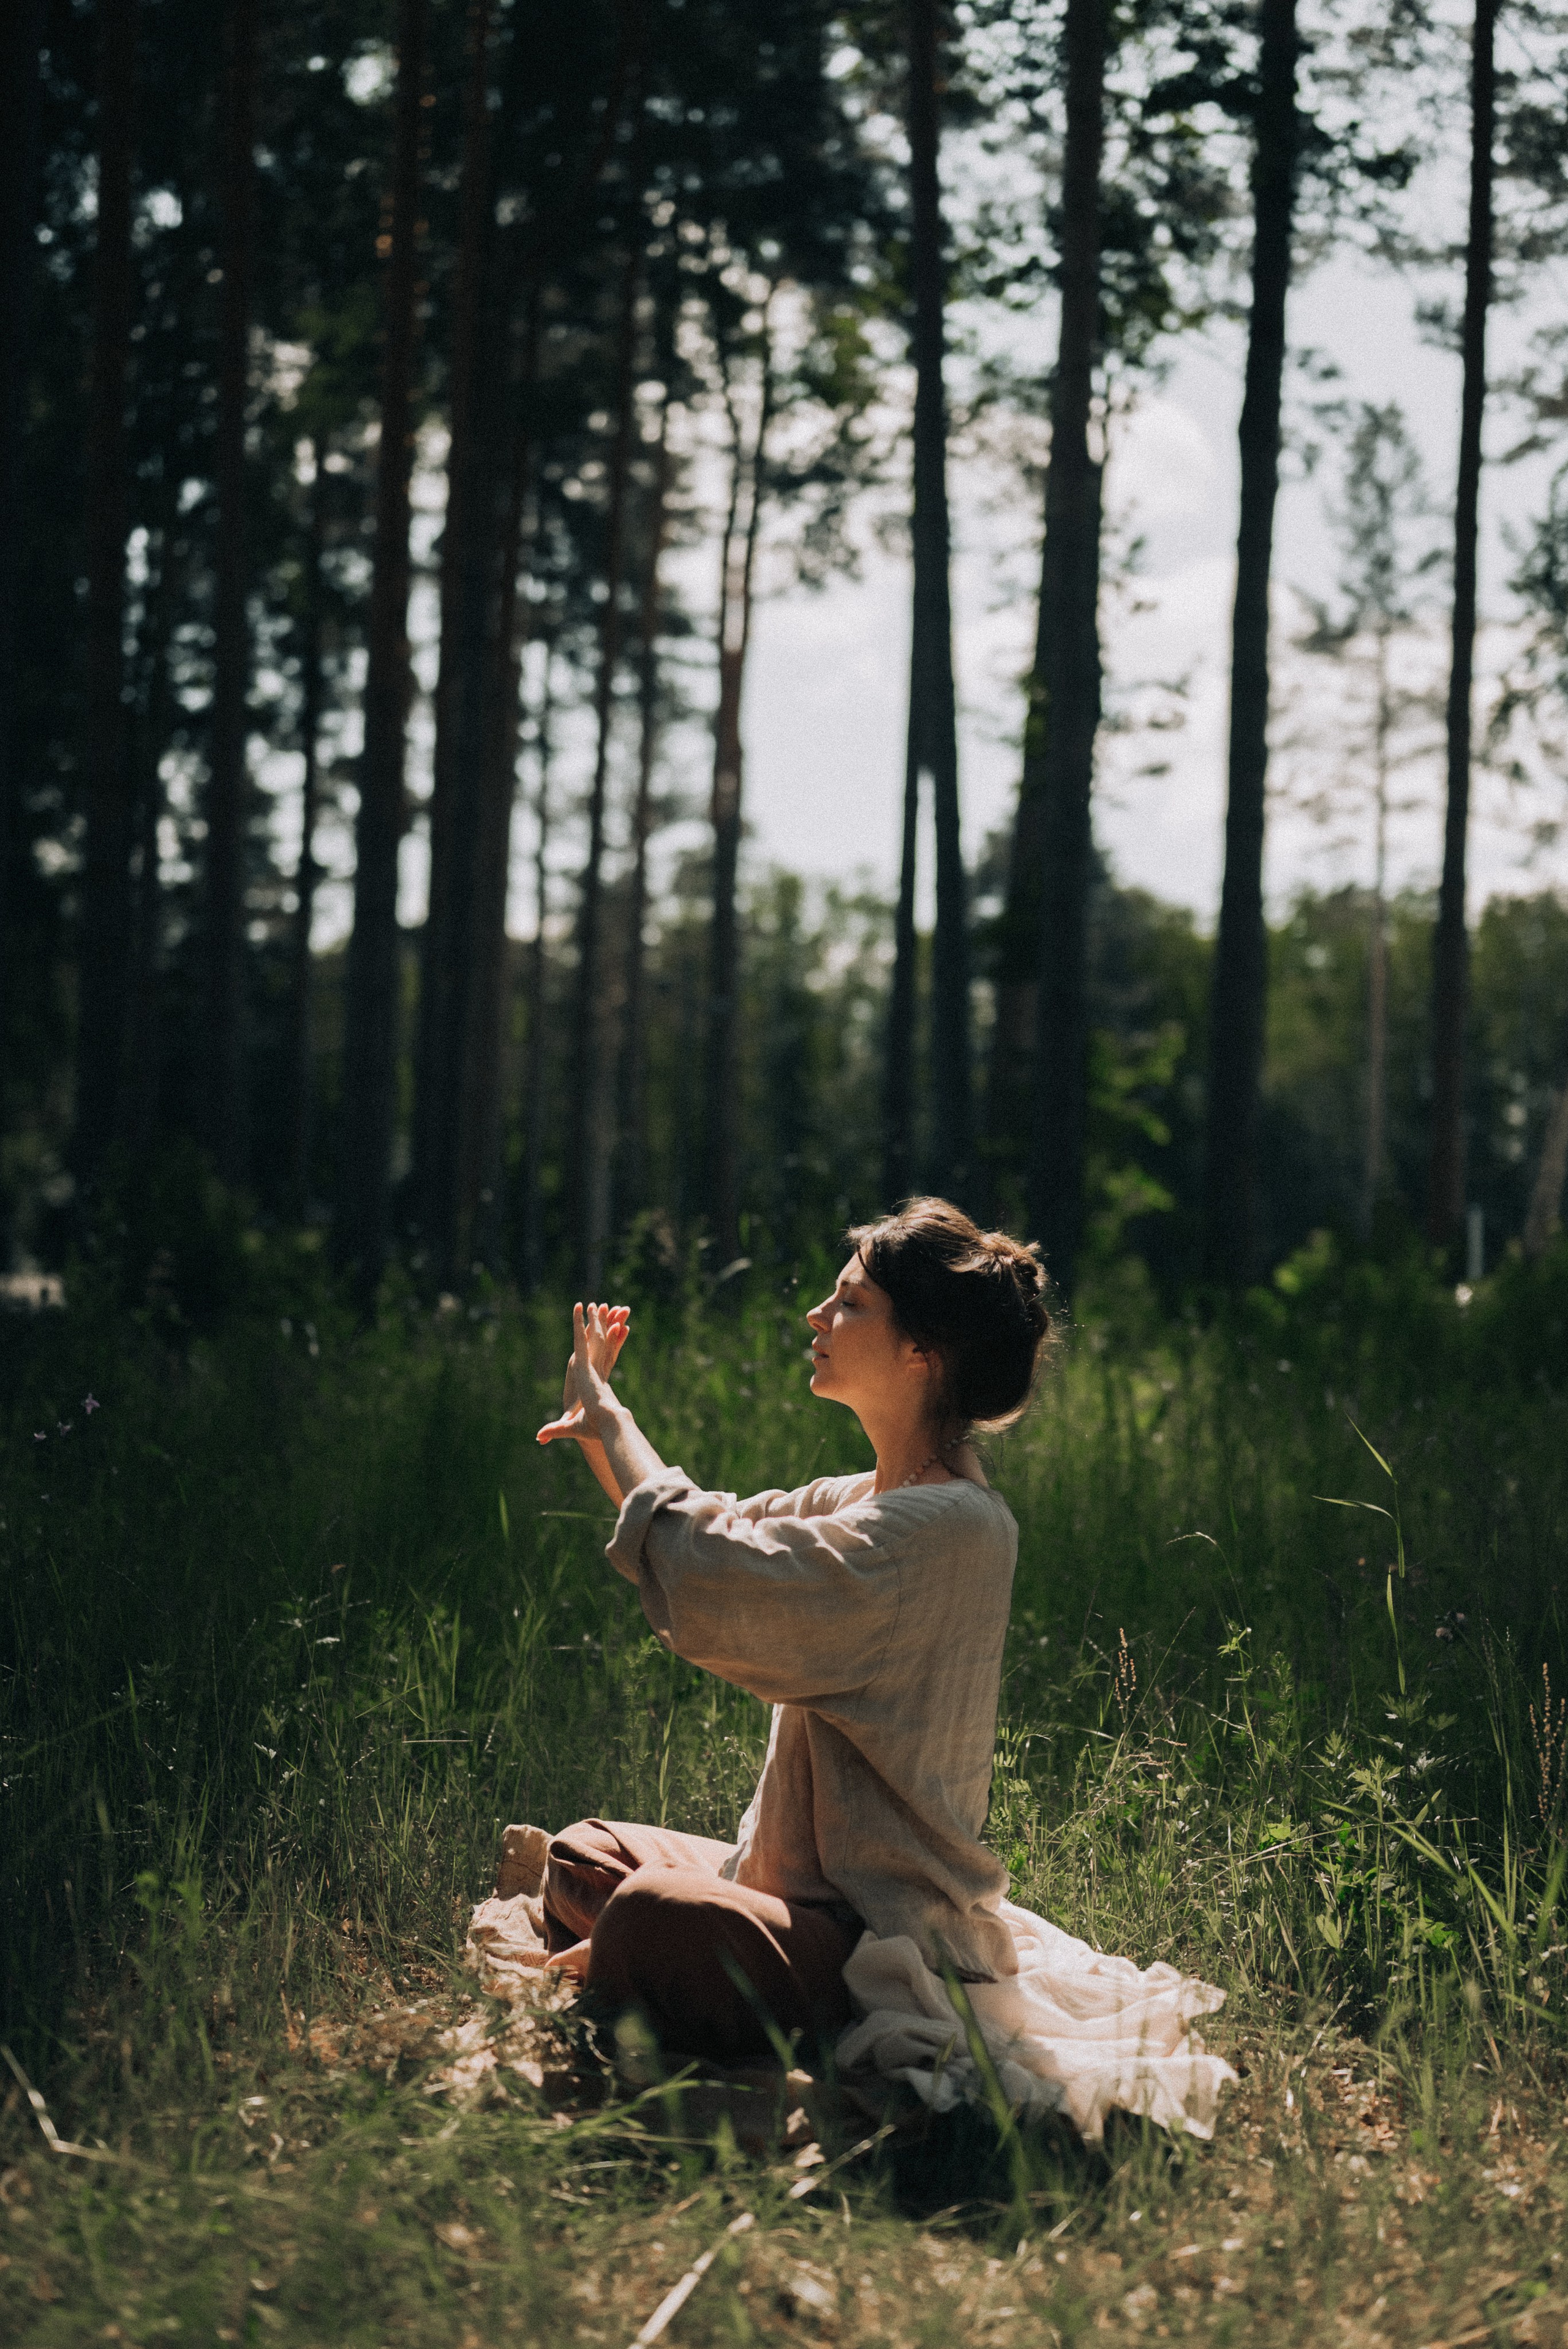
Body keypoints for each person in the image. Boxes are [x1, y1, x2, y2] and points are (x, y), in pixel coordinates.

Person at [532, 1196, 1050, 2068]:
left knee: (653, 1916)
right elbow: (716, 1534)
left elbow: (714, 1566)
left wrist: (613, 1419)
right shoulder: (874, 1498)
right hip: (781, 1891)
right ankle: (644, 1959)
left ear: (922, 1350)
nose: (818, 1315)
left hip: (873, 1937)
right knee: (584, 1857)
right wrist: (602, 1424)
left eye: (851, 1303)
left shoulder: (944, 1530)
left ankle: (643, 1960)